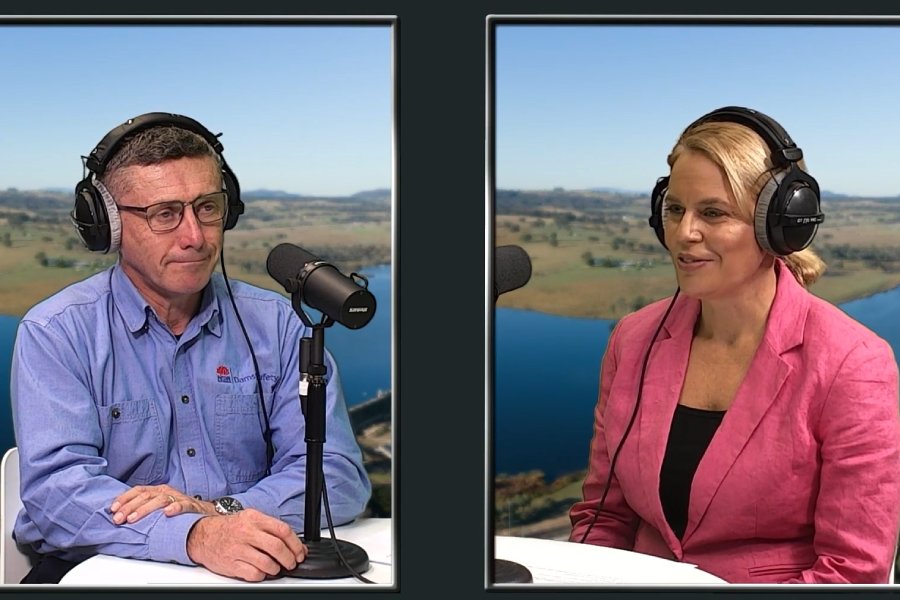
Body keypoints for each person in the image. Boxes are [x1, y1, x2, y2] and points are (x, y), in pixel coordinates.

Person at [10, 113, 371, 583]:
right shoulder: (56, 332)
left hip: (249, 564)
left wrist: (215, 513)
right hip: (99, 571)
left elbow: (337, 479)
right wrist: (193, 536)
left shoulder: (280, 325)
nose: (195, 237)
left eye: (207, 207)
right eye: (165, 214)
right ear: (110, 225)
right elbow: (57, 497)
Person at [569, 106, 900, 584]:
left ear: (781, 225)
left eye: (713, 212)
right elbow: (604, 517)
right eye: (675, 209)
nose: (684, 233)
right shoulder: (633, 338)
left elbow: (852, 572)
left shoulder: (853, 363)